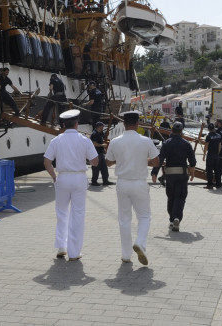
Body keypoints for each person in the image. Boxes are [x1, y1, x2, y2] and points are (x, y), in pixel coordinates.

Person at [43, 110, 99, 261]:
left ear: (62, 125)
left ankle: (62, 246)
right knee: (78, 214)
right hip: (79, 178)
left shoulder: (56, 140)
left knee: (62, 213)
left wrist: (54, 177)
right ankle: (74, 253)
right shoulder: (84, 140)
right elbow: (95, 161)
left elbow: (47, 162)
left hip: (62, 178)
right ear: (76, 124)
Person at [105, 111, 159, 265]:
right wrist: (143, 160)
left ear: (123, 124)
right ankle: (140, 243)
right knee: (144, 216)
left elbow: (108, 162)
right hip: (139, 182)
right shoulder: (146, 140)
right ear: (138, 124)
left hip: (122, 182)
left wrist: (122, 160)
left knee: (124, 219)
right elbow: (156, 162)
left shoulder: (115, 141)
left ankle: (126, 255)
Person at [151, 122, 196, 232]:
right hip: (182, 174)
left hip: (170, 175)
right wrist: (192, 173)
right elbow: (192, 161)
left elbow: (160, 159)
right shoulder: (187, 144)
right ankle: (176, 218)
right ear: (182, 131)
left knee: (171, 197)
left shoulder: (166, 143)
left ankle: (172, 219)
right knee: (180, 197)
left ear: (172, 130)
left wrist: (154, 172)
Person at [90, 122, 114, 186]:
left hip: (101, 153)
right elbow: (94, 143)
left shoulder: (101, 133)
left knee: (104, 167)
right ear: (99, 127)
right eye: (102, 126)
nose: (103, 128)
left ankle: (105, 180)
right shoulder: (94, 134)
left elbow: (105, 138)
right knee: (96, 168)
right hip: (96, 153)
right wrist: (102, 145)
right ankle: (94, 181)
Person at [202, 123, 222, 189]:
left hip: (210, 155)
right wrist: (218, 153)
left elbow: (206, 146)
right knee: (217, 170)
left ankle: (210, 184)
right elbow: (219, 146)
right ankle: (218, 184)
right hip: (216, 155)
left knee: (209, 170)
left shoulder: (208, 136)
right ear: (214, 128)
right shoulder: (218, 136)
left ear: (208, 129)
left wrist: (204, 155)